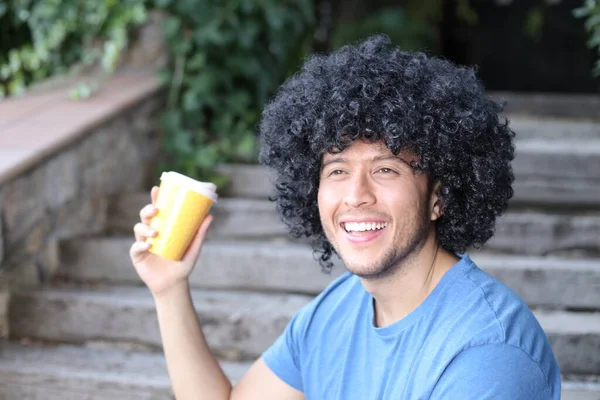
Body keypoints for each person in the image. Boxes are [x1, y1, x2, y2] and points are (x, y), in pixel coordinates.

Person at [130, 35, 561, 399]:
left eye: (386, 169)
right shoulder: (337, 309)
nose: (356, 195)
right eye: (337, 170)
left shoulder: (488, 352)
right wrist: (169, 291)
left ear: (439, 196)